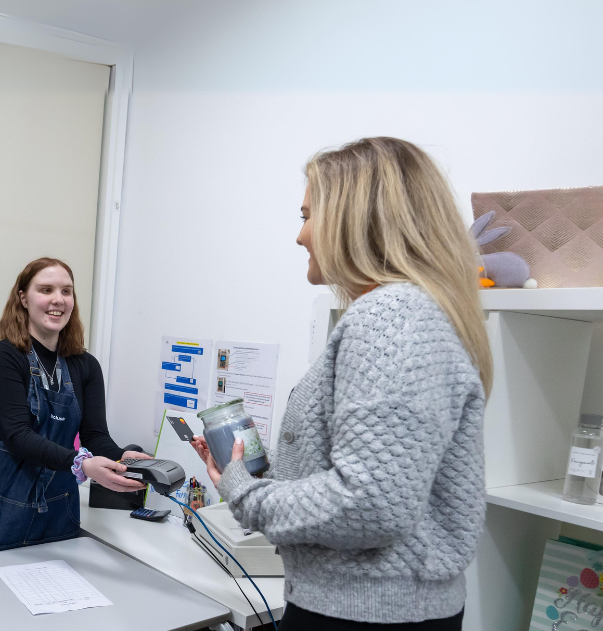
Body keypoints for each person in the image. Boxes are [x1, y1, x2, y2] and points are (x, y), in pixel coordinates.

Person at [192, 138, 491, 630]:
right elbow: (376, 483)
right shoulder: (409, 313)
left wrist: (245, 491)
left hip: (363, 616)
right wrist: (258, 480)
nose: (301, 236)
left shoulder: (392, 316)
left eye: (307, 215)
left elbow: (370, 506)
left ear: (355, 218)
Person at [0, 257, 149, 627]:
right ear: (23, 298)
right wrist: (82, 464)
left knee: (48, 610)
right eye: (46, 290)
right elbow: (18, 437)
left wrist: (122, 457)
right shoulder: (1, 358)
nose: (58, 300)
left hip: (56, 502)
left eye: (66, 291)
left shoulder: (85, 366)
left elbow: (95, 435)